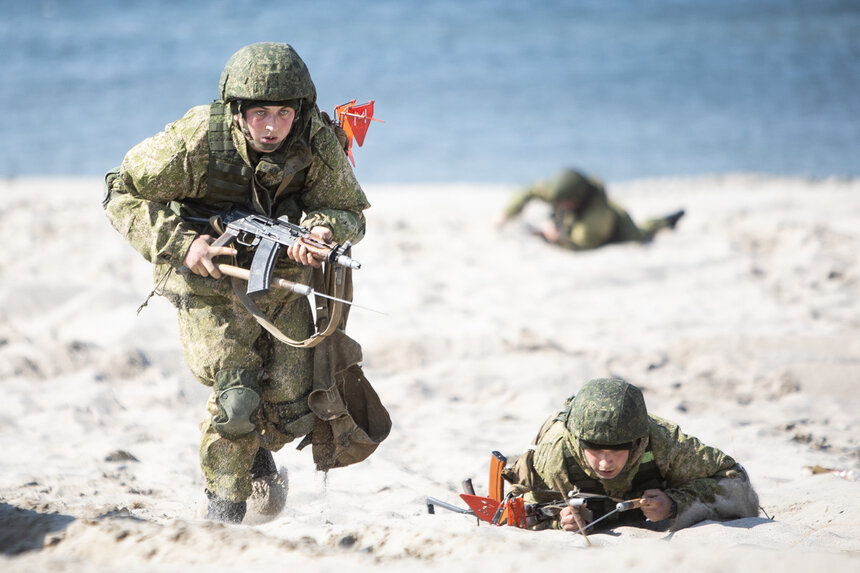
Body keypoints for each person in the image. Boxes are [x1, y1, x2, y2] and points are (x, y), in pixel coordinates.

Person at [102, 42, 371, 524]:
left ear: (300, 111)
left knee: (294, 406)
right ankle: (223, 514)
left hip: (281, 280)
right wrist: (183, 243)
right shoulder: (199, 137)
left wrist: (323, 229)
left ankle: (253, 456)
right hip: (208, 280)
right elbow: (119, 189)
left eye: (284, 113)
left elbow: (348, 210)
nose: (271, 127)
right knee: (237, 398)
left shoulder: (315, 139)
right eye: (259, 113)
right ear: (237, 110)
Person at [504, 378, 759, 532]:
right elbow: (519, 512)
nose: (605, 462)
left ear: (638, 441)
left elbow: (736, 484)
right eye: (594, 449)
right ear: (577, 441)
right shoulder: (555, 454)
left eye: (617, 449)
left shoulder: (663, 442)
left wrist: (674, 504)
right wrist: (560, 521)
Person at [497, 168, 684, 250]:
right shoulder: (559, 192)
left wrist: (554, 239)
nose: (561, 204)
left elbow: (583, 242)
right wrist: (506, 215)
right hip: (579, 219)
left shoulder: (597, 214)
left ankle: (666, 221)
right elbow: (528, 192)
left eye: (566, 201)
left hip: (616, 224)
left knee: (640, 235)